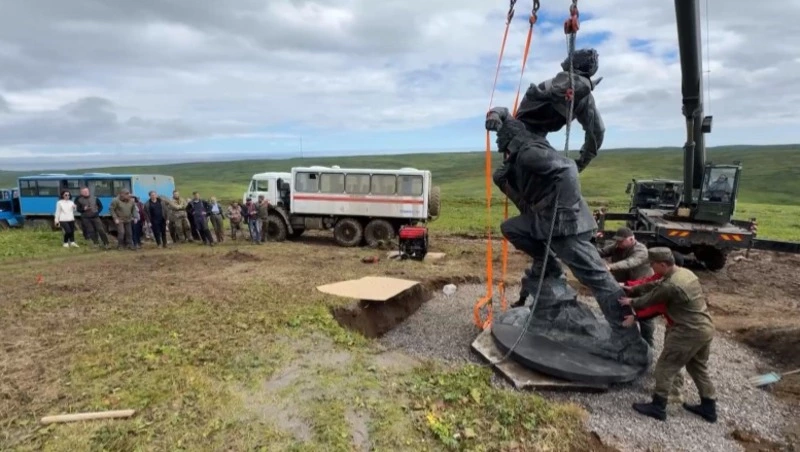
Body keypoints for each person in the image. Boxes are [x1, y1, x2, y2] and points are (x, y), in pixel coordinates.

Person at [485, 109, 633, 338]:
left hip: (566, 222)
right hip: (546, 218)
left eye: (499, 135)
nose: (496, 140)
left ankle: (627, 337)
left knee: (594, 276)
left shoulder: (529, 153)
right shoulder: (517, 156)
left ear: (509, 137)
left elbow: (568, 169)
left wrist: (563, 214)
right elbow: (526, 200)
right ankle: (549, 262)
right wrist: (495, 115)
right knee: (511, 228)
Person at [619, 247, 717, 423]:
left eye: (653, 264)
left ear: (663, 264)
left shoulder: (672, 285)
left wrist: (631, 301)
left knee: (665, 367)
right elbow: (656, 285)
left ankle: (658, 407)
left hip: (687, 331)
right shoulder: (685, 274)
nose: (652, 267)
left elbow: (652, 298)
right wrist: (633, 288)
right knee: (697, 368)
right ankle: (709, 407)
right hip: (704, 328)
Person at [514, 47, 605, 172]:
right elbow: (598, 131)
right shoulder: (585, 99)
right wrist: (581, 163)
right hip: (528, 137)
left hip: (524, 136)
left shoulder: (558, 86)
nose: (565, 60)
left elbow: (597, 131)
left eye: (571, 58)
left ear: (576, 64)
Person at [598, 226, 655, 345]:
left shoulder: (641, 250)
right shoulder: (617, 246)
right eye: (617, 241)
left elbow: (630, 262)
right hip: (623, 285)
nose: (618, 243)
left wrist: (610, 267)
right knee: (620, 312)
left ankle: (648, 343)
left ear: (631, 239)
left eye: (621, 241)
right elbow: (602, 252)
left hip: (641, 287)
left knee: (645, 317)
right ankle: (622, 338)